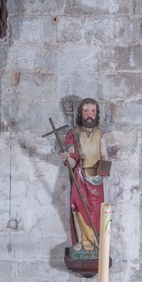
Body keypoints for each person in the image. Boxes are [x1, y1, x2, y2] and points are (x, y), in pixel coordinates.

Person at [62, 98, 110, 252]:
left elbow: (104, 155)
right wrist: (67, 158)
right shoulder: (74, 134)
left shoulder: (99, 134)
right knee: (77, 208)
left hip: (96, 180)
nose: (89, 114)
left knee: (96, 212)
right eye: (86, 111)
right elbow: (72, 158)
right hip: (80, 178)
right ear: (80, 113)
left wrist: (104, 169)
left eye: (92, 111)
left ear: (96, 113)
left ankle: (95, 241)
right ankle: (81, 241)